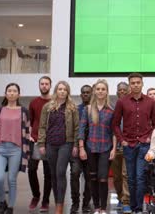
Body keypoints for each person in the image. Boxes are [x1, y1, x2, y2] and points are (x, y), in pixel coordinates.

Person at [112, 73, 155, 214]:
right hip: (129, 145)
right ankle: (132, 206)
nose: (136, 85)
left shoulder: (150, 102)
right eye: (133, 83)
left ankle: (138, 208)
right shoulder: (122, 102)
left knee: (140, 177)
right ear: (129, 85)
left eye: (138, 82)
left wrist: (150, 137)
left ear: (142, 84)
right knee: (130, 178)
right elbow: (114, 124)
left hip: (144, 144)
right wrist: (122, 141)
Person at [0, 83, 30, 214]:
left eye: (14, 91)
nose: (11, 93)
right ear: (5, 94)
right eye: (9, 91)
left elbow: (27, 132)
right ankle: (2, 202)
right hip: (0, 149)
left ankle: (10, 206)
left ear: (19, 94)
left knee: (12, 179)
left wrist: (26, 151)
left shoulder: (23, 111)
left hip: (16, 149)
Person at [38, 81, 79, 214]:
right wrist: (41, 144)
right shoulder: (47, 107)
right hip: (50, 144)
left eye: (64, 89)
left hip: (66, 144)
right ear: (56, 91)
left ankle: (60, 207)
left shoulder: (72, 107)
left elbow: (77, 128)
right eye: (60, 89)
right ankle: (57, 202)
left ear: (68, 92)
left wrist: (76, 145)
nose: (62, 91)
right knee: (53, 175)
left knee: (61, 172)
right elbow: (42, 127)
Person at [79, 79, 117, 214]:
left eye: (103, 89)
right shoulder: (87, 109)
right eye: (98, 89)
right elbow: (82, 129)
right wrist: (81, 147)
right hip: (90, 148)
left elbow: (114, 132)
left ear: (107, 92)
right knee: (92, 178)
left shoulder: (111, 110)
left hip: (106, 148)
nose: (100, 91)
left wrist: (113, 149)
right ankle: (96, 207)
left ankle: (103, 208)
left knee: (103, 177)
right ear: (95, 91)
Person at [28, 76, 53, 212]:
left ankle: (45, 201)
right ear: (39, 86)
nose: (44, 86)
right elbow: (31, 122)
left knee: (48, 173)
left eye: (46, 84)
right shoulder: (33, 102)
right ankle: (36, 195)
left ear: (50, 85)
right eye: (42, 84)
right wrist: (30, 135)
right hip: (35, 140)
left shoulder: (54, 102)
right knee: (31, 169)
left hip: (50, 142)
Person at [71, 85, 92, 214]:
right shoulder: (75, 110)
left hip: (91, 148)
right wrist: (76, 146)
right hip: (76, 147)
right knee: (74, 173)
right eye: (83, 92)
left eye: (88, 92)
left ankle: (86, 203)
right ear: (80, 95)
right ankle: (75, 203)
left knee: (89, 177)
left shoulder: (95, 109)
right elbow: (73, 129)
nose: (85, 94)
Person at [111, 82, 131, 213]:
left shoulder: (131, 107)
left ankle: (126, 201)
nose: (122, 92)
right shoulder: (113, 108)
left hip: (128, 146)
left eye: (125, 90)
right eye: (120, 90)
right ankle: (119, 196)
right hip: (114, 147)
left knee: (125, 175)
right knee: (117, 177)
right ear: (117, 92)